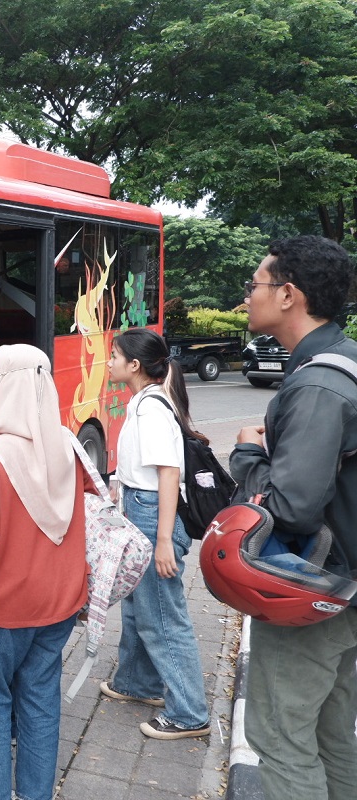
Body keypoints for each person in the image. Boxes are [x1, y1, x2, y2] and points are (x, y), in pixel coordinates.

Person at [230, 236, 357, 800]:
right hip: (347, 589)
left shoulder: (319, 383)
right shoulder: (342, 361)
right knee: (333, 732)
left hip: (317, 590)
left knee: (280, 736)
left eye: (255, 284)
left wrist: (248, 456)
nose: (247, 296)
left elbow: (290, 508)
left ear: (288, 295)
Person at [0, 344, 94, 800]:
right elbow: (81, 521)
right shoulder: (68, 446)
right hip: (59, 605)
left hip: (1, 612)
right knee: (40, 704)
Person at [99, 327, 211, 739]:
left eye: (114, 356)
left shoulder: (151, 409)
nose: (108, 361)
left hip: (152, 517)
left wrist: (164, 540)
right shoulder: (143, 402)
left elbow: (168, 473)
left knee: (163, 618)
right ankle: (137, 683)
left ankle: (189, 713)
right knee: (138, 607)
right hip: (140, 509)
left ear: (134, 365)